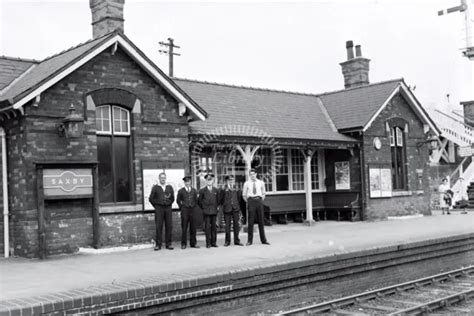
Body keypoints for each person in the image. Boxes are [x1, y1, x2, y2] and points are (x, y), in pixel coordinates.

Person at [242, 169, 270, 246]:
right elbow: (244, 195)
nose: (252, 176)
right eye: (250, 174)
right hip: (251, 201)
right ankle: (249, 241)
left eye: (253, 174)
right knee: (250, 222)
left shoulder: (261, 183)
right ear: (249, 175)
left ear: (256, 174)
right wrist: (249, 202)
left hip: (259, 201)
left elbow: (264, 193)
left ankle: (263, 240)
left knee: (261, 221)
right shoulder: (246, 183)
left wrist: (260, 200)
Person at [149, 172, 175, 250]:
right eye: (161, 178)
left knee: (169, 226)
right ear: (159, 179)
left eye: (164, 177)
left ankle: (168, 244)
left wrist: (169, 203)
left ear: (165, 178)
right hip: (159, 209)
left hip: (168, 208)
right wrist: (156, 206)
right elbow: (151, 199)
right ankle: (158, 244)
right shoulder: (156, 187)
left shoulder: (169, 187)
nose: (163, 179)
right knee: (159, 226)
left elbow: (172, 198)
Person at [219, 175, 244, 247]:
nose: (231, 181)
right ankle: (227, 241)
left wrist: (236, 205)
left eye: (232, 180)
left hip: (235, 209)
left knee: (236, 225)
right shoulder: (223, 189)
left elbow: (239, 198)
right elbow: (221, 199)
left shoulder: (236, 188)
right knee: (227, 226)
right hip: (227, 209)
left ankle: (237, 240)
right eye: (229, 180)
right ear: (227, 181)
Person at [176, 176, 200, 249]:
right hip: (185, 211)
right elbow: (178, 200)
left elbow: (196, 200)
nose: (187, 183)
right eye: (186, 182)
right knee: (184, 228)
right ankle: (183, 244)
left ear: (190, 182)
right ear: (184, 183)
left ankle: (193, 243)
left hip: (192, 210)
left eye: (188, 182)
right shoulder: (181, 191)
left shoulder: (194, 190)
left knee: (193, 228)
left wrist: (194, 206)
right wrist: (182, 207)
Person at [198, 173, 219, 248]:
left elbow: (218, 201)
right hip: (206, 211)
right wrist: (204, 208)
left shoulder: (216, 190)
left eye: (210, 180)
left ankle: (214, 242)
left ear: (213, 181)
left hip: (214, 211)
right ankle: (208, 243)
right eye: (208, 180)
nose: (209, 181)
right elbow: (199, 201)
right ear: (206, 181)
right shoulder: (202, 190)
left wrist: (216, 208)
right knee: (207, 227)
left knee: (214, 227)